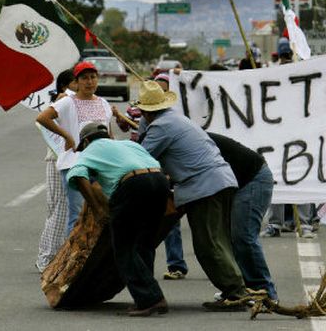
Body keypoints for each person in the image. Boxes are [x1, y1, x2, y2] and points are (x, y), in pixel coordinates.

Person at [136, 80, 248, 310]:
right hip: (219, 180)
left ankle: (235, 293)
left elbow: (141, 157)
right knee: (218, 240)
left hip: (205, 186)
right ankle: (235, 289)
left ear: (146, 112)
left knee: (209, 244)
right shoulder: (176, 119)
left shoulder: (160, 127)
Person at [67, 121, 170, 317]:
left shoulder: (91, 149)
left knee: (124, 248)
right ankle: (146, 297)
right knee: (144, 244)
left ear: (86, 141)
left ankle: (151, 299)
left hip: (133, 185)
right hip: (159, 182)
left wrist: (97, 209)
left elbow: (77, 174)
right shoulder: (129, 144)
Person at [36, 61, 113, 234]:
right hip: (75, 165)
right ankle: (72, 259)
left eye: (93, 77)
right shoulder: (68, 102)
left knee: (103, 212)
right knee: (77, 215)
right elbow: (43, 118)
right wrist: (67, 136)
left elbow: (109, 134)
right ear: (76, 82)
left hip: (100, 165)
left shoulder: (103, 103)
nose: (89, 82)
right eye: (84, 78)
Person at [209, 133, 278, 302]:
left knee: (244, 236)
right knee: (234, 238)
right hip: (241, 181)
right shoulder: (182, 134)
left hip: (253, 180)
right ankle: (245, 289)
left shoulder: (183, 138)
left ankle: (264, 292)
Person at [261, 41, 314, 239]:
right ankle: (281, 223)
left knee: (298, 177)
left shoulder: (300, 73)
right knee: (280, 179)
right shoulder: (272, 75)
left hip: (298, 138)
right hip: (279, 139)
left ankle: (299, 224)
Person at [35, 69, 78, 273]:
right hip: (57, 160)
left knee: (58, 210)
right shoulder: (63, 101)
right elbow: (44, 119)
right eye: (76, 82)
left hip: (64, 160)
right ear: (65, 86)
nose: (81, 85)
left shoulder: (73, 102)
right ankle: (47, 256)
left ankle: (51, 253)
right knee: (59, 209)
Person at [153, 73, 189, 281]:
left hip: (183, 173)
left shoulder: (178, 115)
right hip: (160, 175)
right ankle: (176, 264)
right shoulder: (148, 119)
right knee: (170, 220)